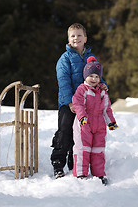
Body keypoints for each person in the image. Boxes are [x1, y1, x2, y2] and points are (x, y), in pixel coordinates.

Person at [50, 23, 108, 179]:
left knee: (82, 133)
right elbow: (63, 81)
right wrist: (69, 102)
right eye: (73, 36)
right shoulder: (65, 58)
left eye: (79, 35)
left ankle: (74, 161)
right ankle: (58, 163)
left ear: (85, 38)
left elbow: (97, 77)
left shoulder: (91, 58)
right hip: (68, 103)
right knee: (66, 130)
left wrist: (103, 85)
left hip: (88, 104)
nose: (76, 38)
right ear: (68, 39)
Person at [72, 56, 118, 185]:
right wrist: (82, 117)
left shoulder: (102, 92)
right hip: (84, 123)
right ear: (85, 75)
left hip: (99, 125)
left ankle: (99, 174)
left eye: (97, 77)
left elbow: (107, 109)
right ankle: (81, 173)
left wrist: (111, 122)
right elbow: (77, 103)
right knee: (83, 148)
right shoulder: (82, 89)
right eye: (91, 76)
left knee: (98, 150)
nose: (94, 79)